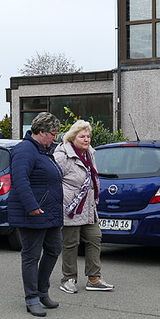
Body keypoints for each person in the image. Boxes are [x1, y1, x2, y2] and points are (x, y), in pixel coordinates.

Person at [7, 112, 63, 317]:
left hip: (50, 213)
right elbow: (20, 180)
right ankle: (31, 298)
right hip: (33, 212)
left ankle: (42, 292)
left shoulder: (45, 150)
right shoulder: (25, 150)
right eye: (52, 134)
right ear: (41, 132)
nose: (54, 138)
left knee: (54, 249)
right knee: (31, 256)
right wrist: (31, 206)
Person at [54, 119, 113, 294]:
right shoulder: (62, 156)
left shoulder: (90, 154)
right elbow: (53, 180)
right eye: (82, 136)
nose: (86, 139)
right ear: (73, 138)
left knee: (95, 238)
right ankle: (68, 279)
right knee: (71, 243)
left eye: (88, 136)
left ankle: (94, 278)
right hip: (70, 208)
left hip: (88, 206)